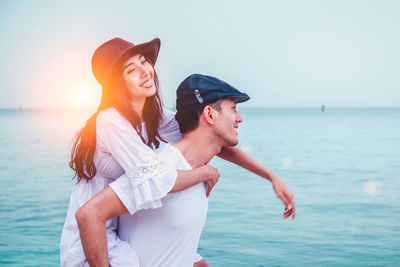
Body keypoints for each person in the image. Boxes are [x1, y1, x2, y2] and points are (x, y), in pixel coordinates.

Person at [60, 37, 295, 266]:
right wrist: (205, 173)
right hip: (94, 234)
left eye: (144, 61)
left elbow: (210, 137)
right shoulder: (111, 120)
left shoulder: (155, 114)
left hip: (123, 221)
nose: (145, 71)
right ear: (117, 84)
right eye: (131, 70)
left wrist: (270, 176)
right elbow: (155, 180)